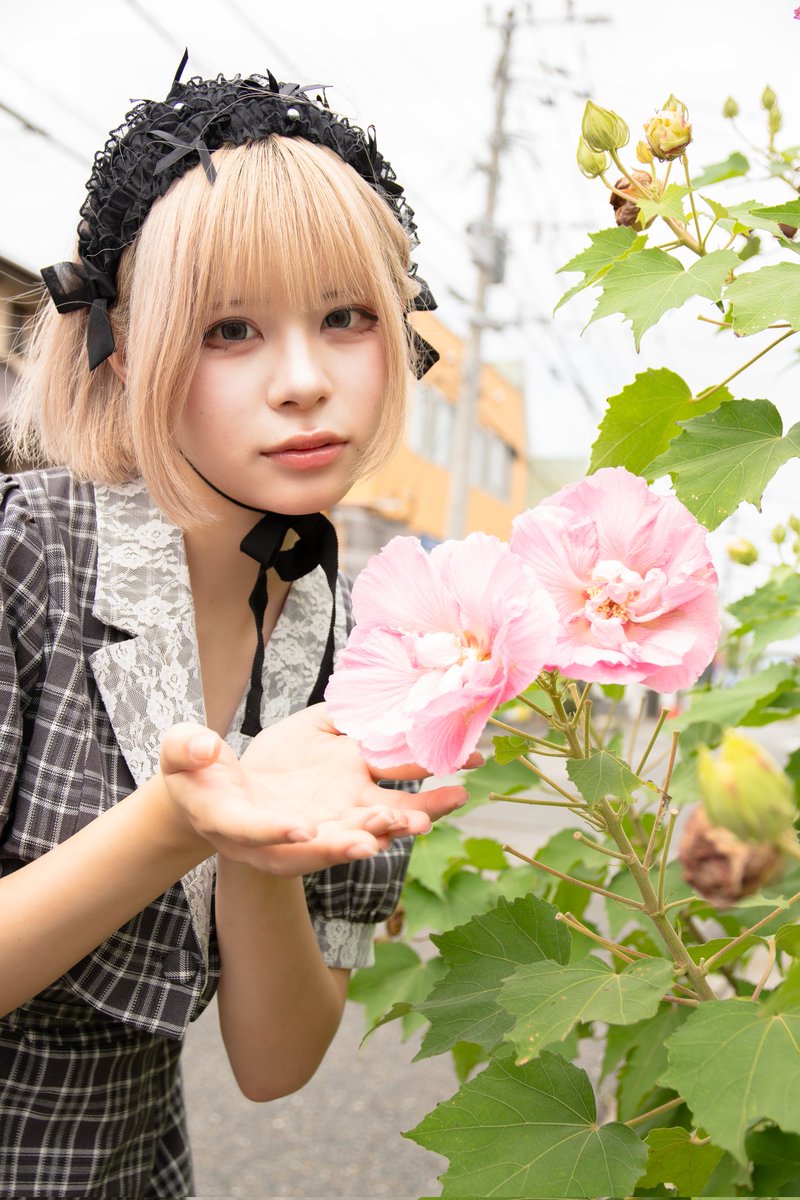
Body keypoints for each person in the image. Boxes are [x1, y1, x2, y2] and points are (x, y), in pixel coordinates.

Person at [0, 55, 469, 1198]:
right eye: (229, 330)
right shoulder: (24, 551)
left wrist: (257, 852)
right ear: (121, 343)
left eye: (345, 316)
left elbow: (274, 1063)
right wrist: (180, 820)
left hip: (130, 1170)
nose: (304, 380)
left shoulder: (369, 647)